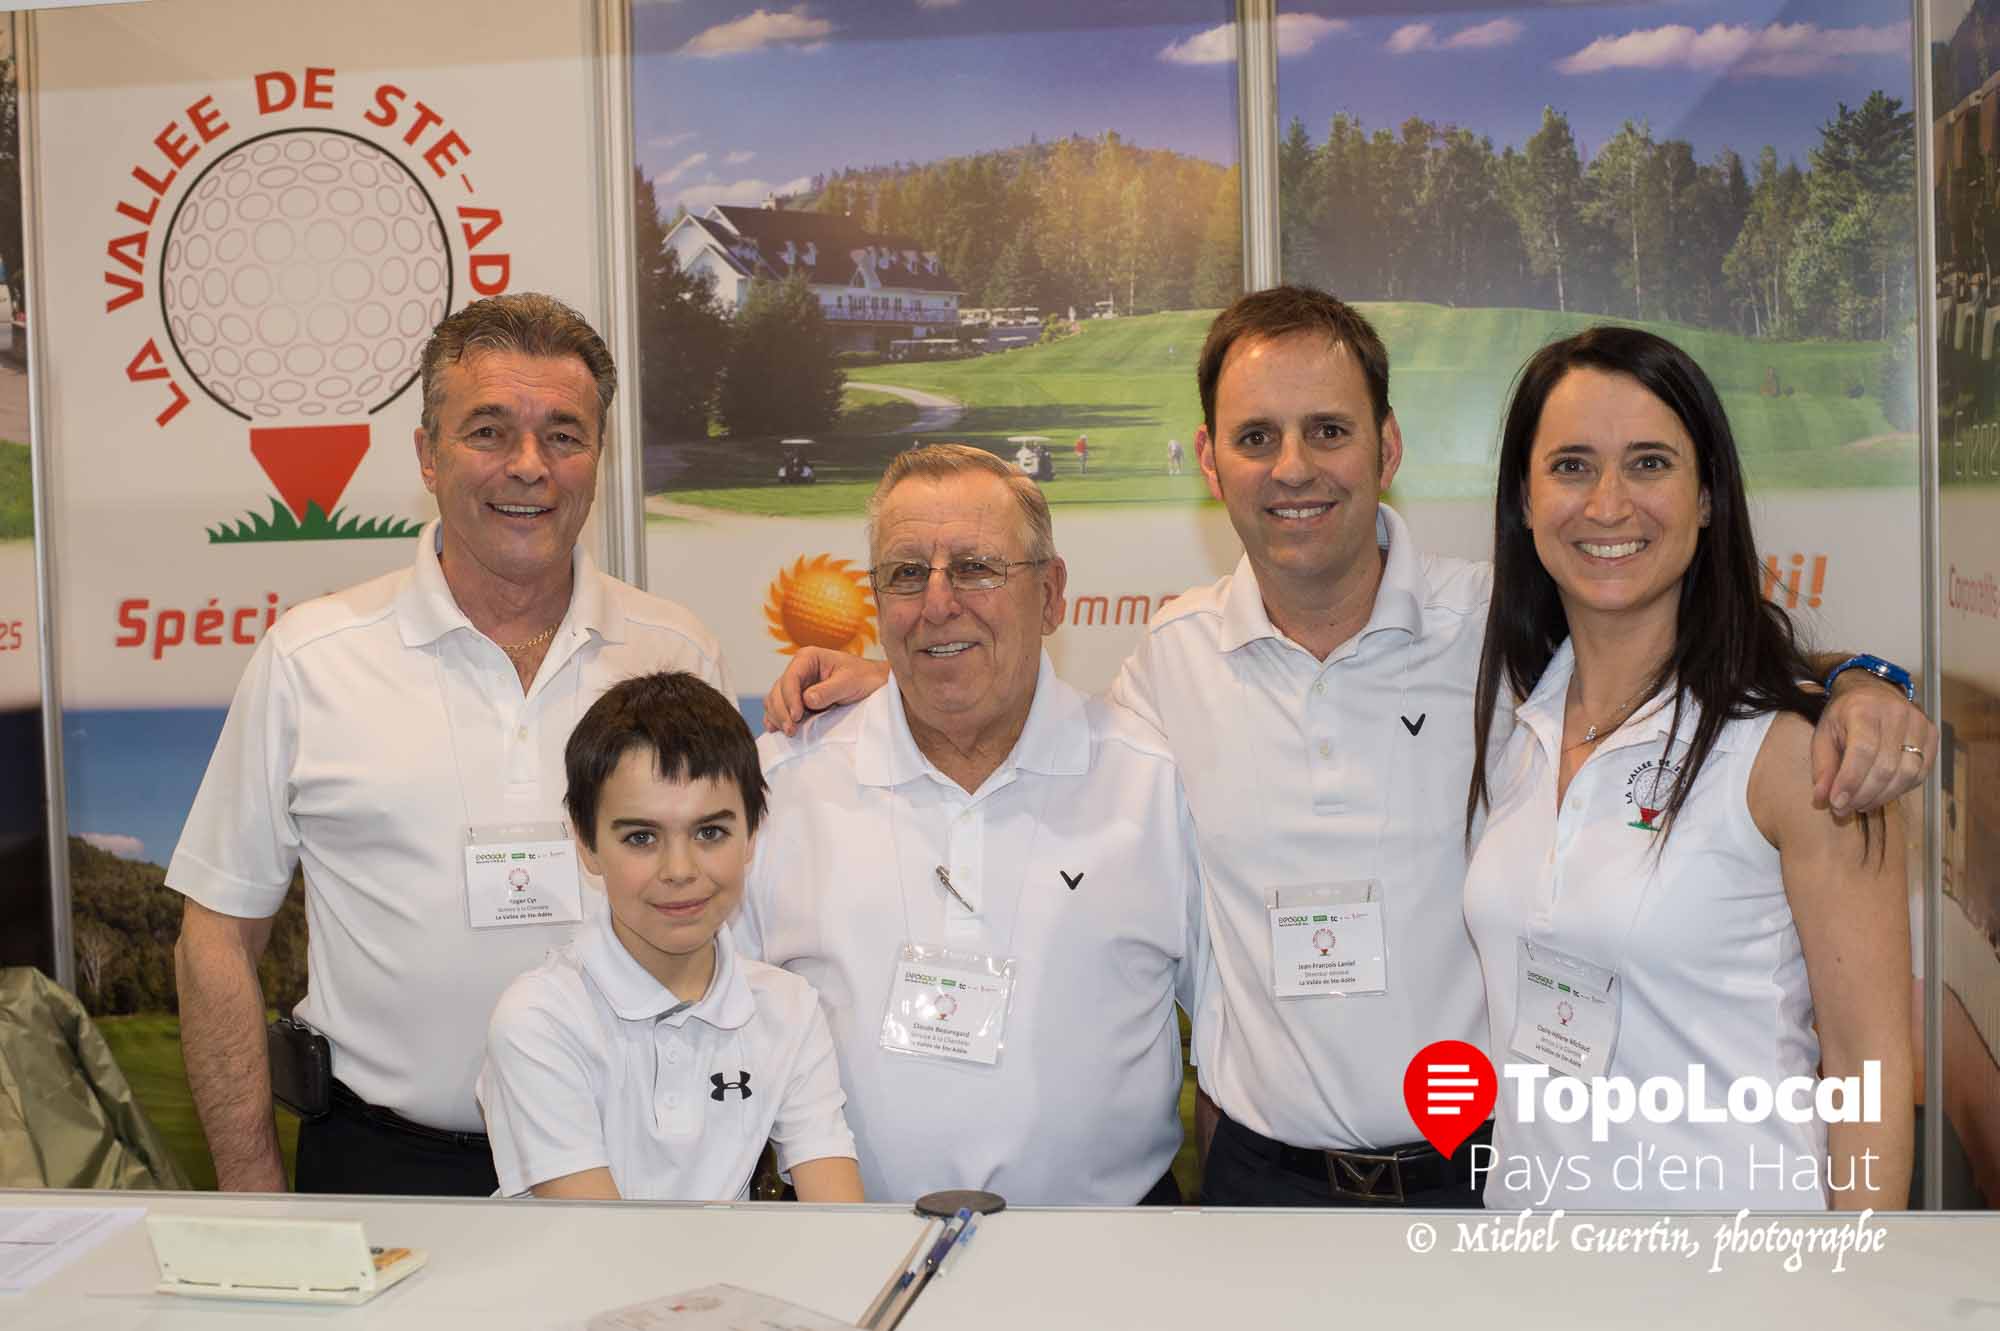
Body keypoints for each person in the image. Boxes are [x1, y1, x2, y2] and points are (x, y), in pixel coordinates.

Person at [763, 287, 1933, 1207]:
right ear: (1209, 461)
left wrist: (1862, 682)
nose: (1293, 467)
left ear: (1386, 445)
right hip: (1259, 1184)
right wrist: (905, 682)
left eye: (1326, 429)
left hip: (1483, 1173)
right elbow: (1035, 720)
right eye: (1256, 436)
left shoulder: (1499, 632)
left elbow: (1683, 655)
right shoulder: (1169, 662)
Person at [169, 293, 727, 1195]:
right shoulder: (312, 659)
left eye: (564, 435)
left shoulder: (676, 653)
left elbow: (738, 903)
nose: (529, 465)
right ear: (428, 455)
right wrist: (252, 1194)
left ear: (598, 457)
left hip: (639, 1166)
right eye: (488, 431)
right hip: (384, 1167)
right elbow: (215, 939)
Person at [1462, 326, 1913, 1209]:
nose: (1608, 504)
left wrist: (1864, 1271)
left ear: (1706, 496)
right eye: (1571, 466)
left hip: (1741, 1261)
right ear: (1524, 497)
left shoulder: (1796, 752)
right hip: (1527, 1249)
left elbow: (1871, 1066)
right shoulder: (1515, 720)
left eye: (1649, 463)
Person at [741, 443, 1202, 1205]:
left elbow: (1233, 1044)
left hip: (1111, 1253)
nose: (938, 603)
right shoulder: (780, 787)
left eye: (977, 568)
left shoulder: (1152, 782)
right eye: (905, 573)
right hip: (845, 1249)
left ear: (1050, 594)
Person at [477, 672, 861, 1202]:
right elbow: (595, 1239)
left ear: (752, 833)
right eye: (641, 837)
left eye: (710, 832)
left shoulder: (788, 1007)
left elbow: (838, 1217)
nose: (679, 870)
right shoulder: (540, 1018)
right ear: (585, 841)